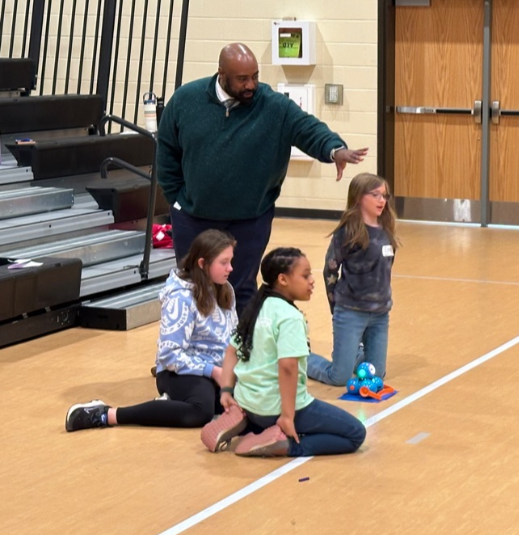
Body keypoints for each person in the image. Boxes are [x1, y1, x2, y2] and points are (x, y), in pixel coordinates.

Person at [157, 42, 368, 316]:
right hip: (194, 217)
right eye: (242, 79)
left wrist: (334, 149)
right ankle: (189, 353)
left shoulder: (272, 105)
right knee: (193, 288)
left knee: (241, 288)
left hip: (250, 219)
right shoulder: (186, 100)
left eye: (255, 76)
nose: (251, 85)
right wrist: (177, 199)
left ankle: (244, 355)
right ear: (221, 73)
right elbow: (166, 151)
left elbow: (307, 128)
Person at [199, 247, 367, 457]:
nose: (312, 281)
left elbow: (231, 350)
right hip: (275, 409)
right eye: (305, 276)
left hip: (247, 401)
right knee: (355, 433)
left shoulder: (257, 306)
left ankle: (248, 425)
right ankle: (286, 445)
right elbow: (287, 367)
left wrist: (225, 391)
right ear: (283, 279)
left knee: (266, 415)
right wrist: (287, 416)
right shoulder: (290, 317)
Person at [65, 230, 238, 432]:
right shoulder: (180, 298)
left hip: (217, 369)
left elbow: (231, 339)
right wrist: (213, 371)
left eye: (230, 261)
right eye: (224, 262)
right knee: (200, 411)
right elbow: (169, 355)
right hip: (178, 371)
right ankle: (105, 414)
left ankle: (168, 404)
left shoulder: (225, 289)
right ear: (202, 264)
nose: (230, 268)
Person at [306, 173, 399, 386]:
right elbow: (330, 271)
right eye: (375, 195)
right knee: (338, 377)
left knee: (376, 375)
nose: (381, 200)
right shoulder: (348, 232)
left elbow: (386, 271)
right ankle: (300, 357)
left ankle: (354, 353)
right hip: (350, 311)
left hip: (379, 314)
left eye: (384, 195)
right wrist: (336, 306)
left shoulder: (386, 232)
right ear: (358, 197)